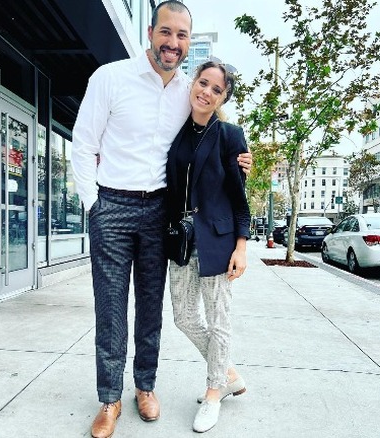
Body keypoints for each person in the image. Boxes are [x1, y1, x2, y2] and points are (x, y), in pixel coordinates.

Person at [70, 2, 252, 437]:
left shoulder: (191, 90)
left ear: (189, 41)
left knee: (151, 308)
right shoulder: (110, 78)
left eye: (182, 35)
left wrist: (241, 160)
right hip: (111, 206)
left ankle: (145, 387)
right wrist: (93, 206)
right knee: (111, 309)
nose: (173, 42)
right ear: (150, 32)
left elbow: (214, 136)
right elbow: (82, 144)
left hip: (160, 214)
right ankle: (109, 400)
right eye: (166, 32)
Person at [165, 61, 250, 433]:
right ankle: (229, 372)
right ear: (192, 83)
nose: (206, 92)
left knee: (219, 321)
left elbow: (239, 197)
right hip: (181, 238)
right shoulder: (176, 131)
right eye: (203, 83)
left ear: (222, 97)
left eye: (216, 90)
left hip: (218, 239)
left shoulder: (230, 135)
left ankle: (214, 390)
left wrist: (242, 246)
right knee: (183, 316)